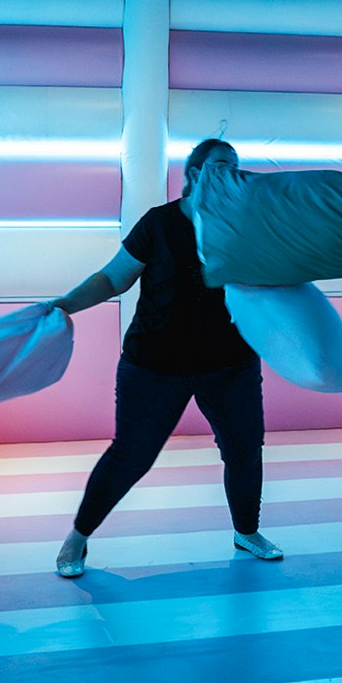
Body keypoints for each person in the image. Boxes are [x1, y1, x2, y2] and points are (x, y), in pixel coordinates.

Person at [49, 139, 283, 577]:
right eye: (218, 165)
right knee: (131, 455)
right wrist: (67, 303)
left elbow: (270, 285)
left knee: (245, 451)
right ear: (192, 174)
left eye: (234, 167)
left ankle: (246, 532)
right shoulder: (157, 224)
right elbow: (112, 278)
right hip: (155, 364)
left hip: (229, 364)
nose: (228, 173)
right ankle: (77, 537)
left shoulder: (244, 228)